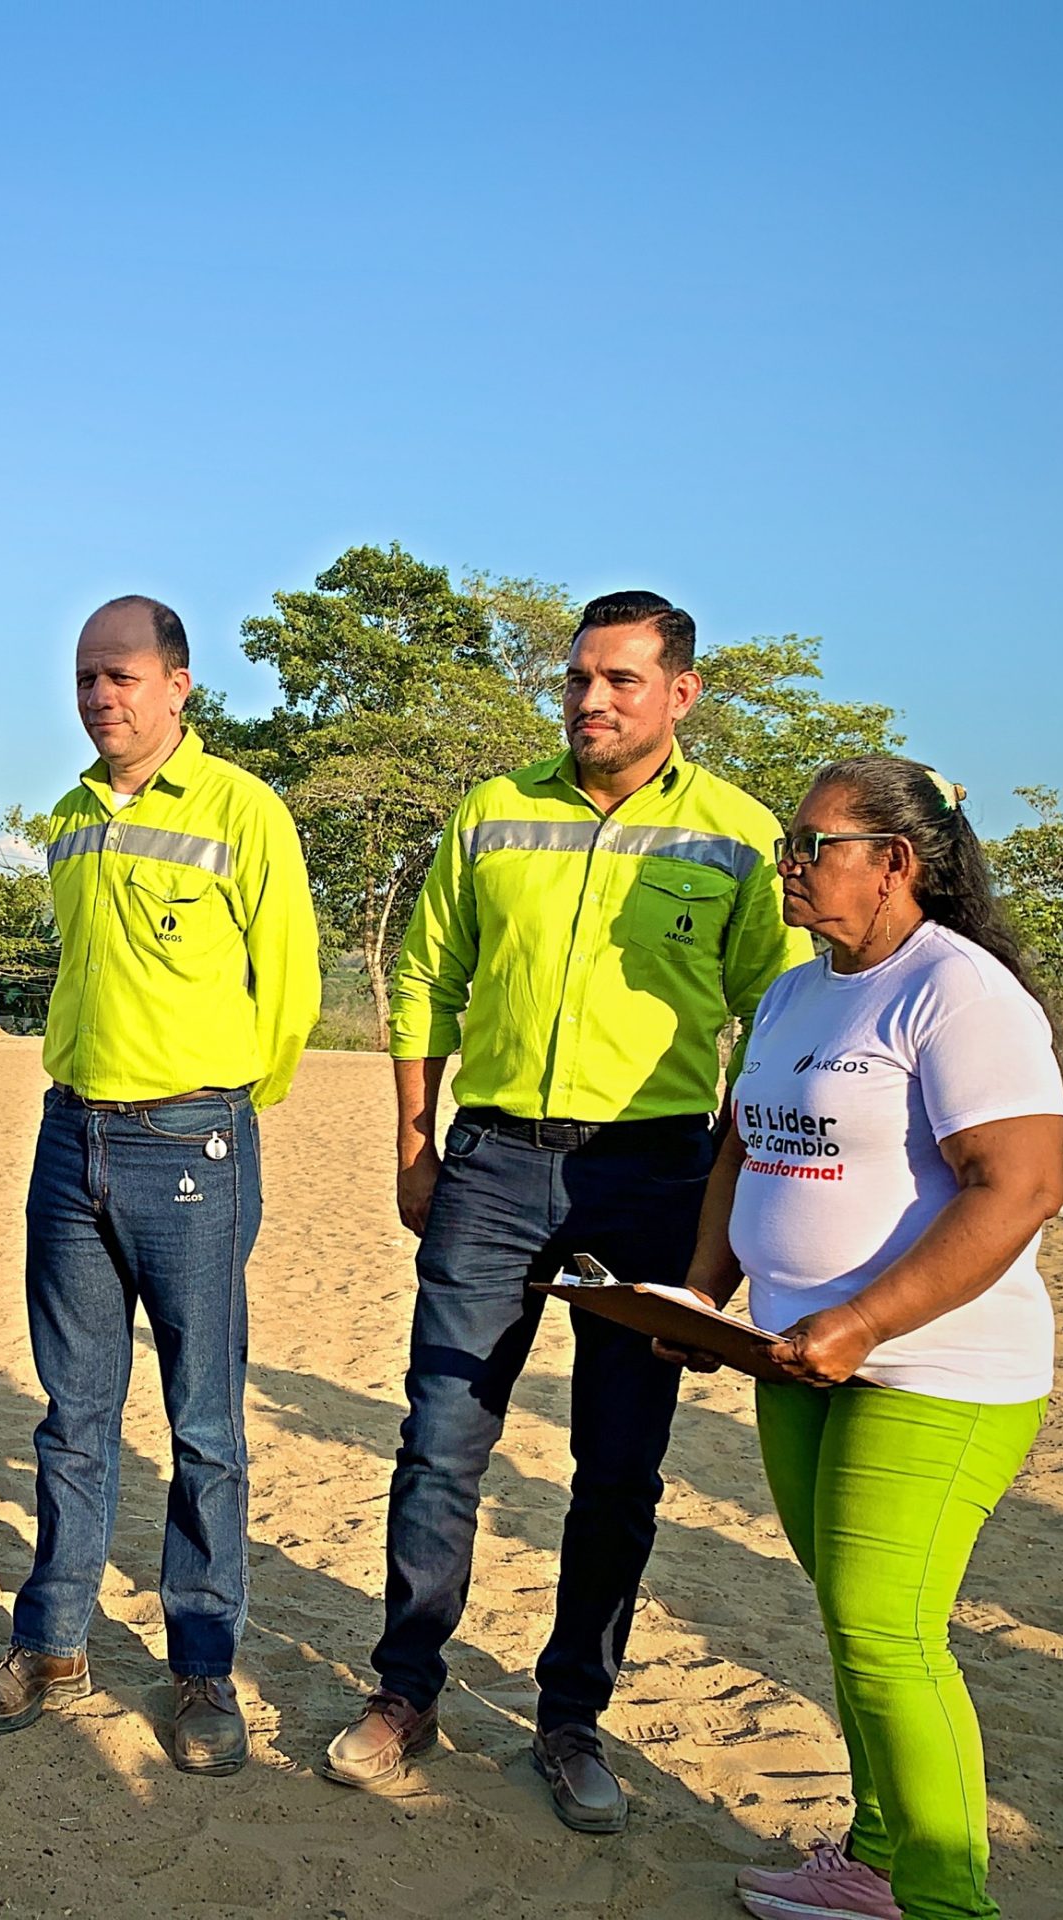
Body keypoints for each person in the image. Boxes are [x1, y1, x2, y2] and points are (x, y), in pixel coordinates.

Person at [323, 591, 810, 1829]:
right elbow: (428, 973)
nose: (592, 702)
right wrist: (413, 1143)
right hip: (486, 1169)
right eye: (579, 679)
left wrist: (732, 1220)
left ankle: (571, 1719)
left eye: (621, 682)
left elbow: (784, 1030)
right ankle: (403, 1693)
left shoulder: (741, 838)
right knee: (441, 1438)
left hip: (648, 1178)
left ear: (681, 694)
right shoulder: (494, 812)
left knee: (618, 1466)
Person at [664, 756, 1063, 1920]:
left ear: (896, 862)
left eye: (808, 843)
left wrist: (864, 1320)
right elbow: (748, 1143)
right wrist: (699, 1294)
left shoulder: (959, 993)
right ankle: (877, 1860)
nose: (784, 864)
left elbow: (1019, 1188)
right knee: (851, 1622)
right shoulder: (798, 990)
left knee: (889, 1633)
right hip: (796, 1362)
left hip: (931, 1368)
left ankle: (945, 1902)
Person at [0, 595, 319, 1775]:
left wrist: (211, 1108)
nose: (99, 696)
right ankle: (51, 1643)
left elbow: (291, 988)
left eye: (120, 675)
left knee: (202, 1425)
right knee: (72, 1417)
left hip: (191, 1146)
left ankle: (203, 1669)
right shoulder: (65, 816)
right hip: (71, 1145)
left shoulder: (242, 809)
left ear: (178, 685)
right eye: (83, 678)